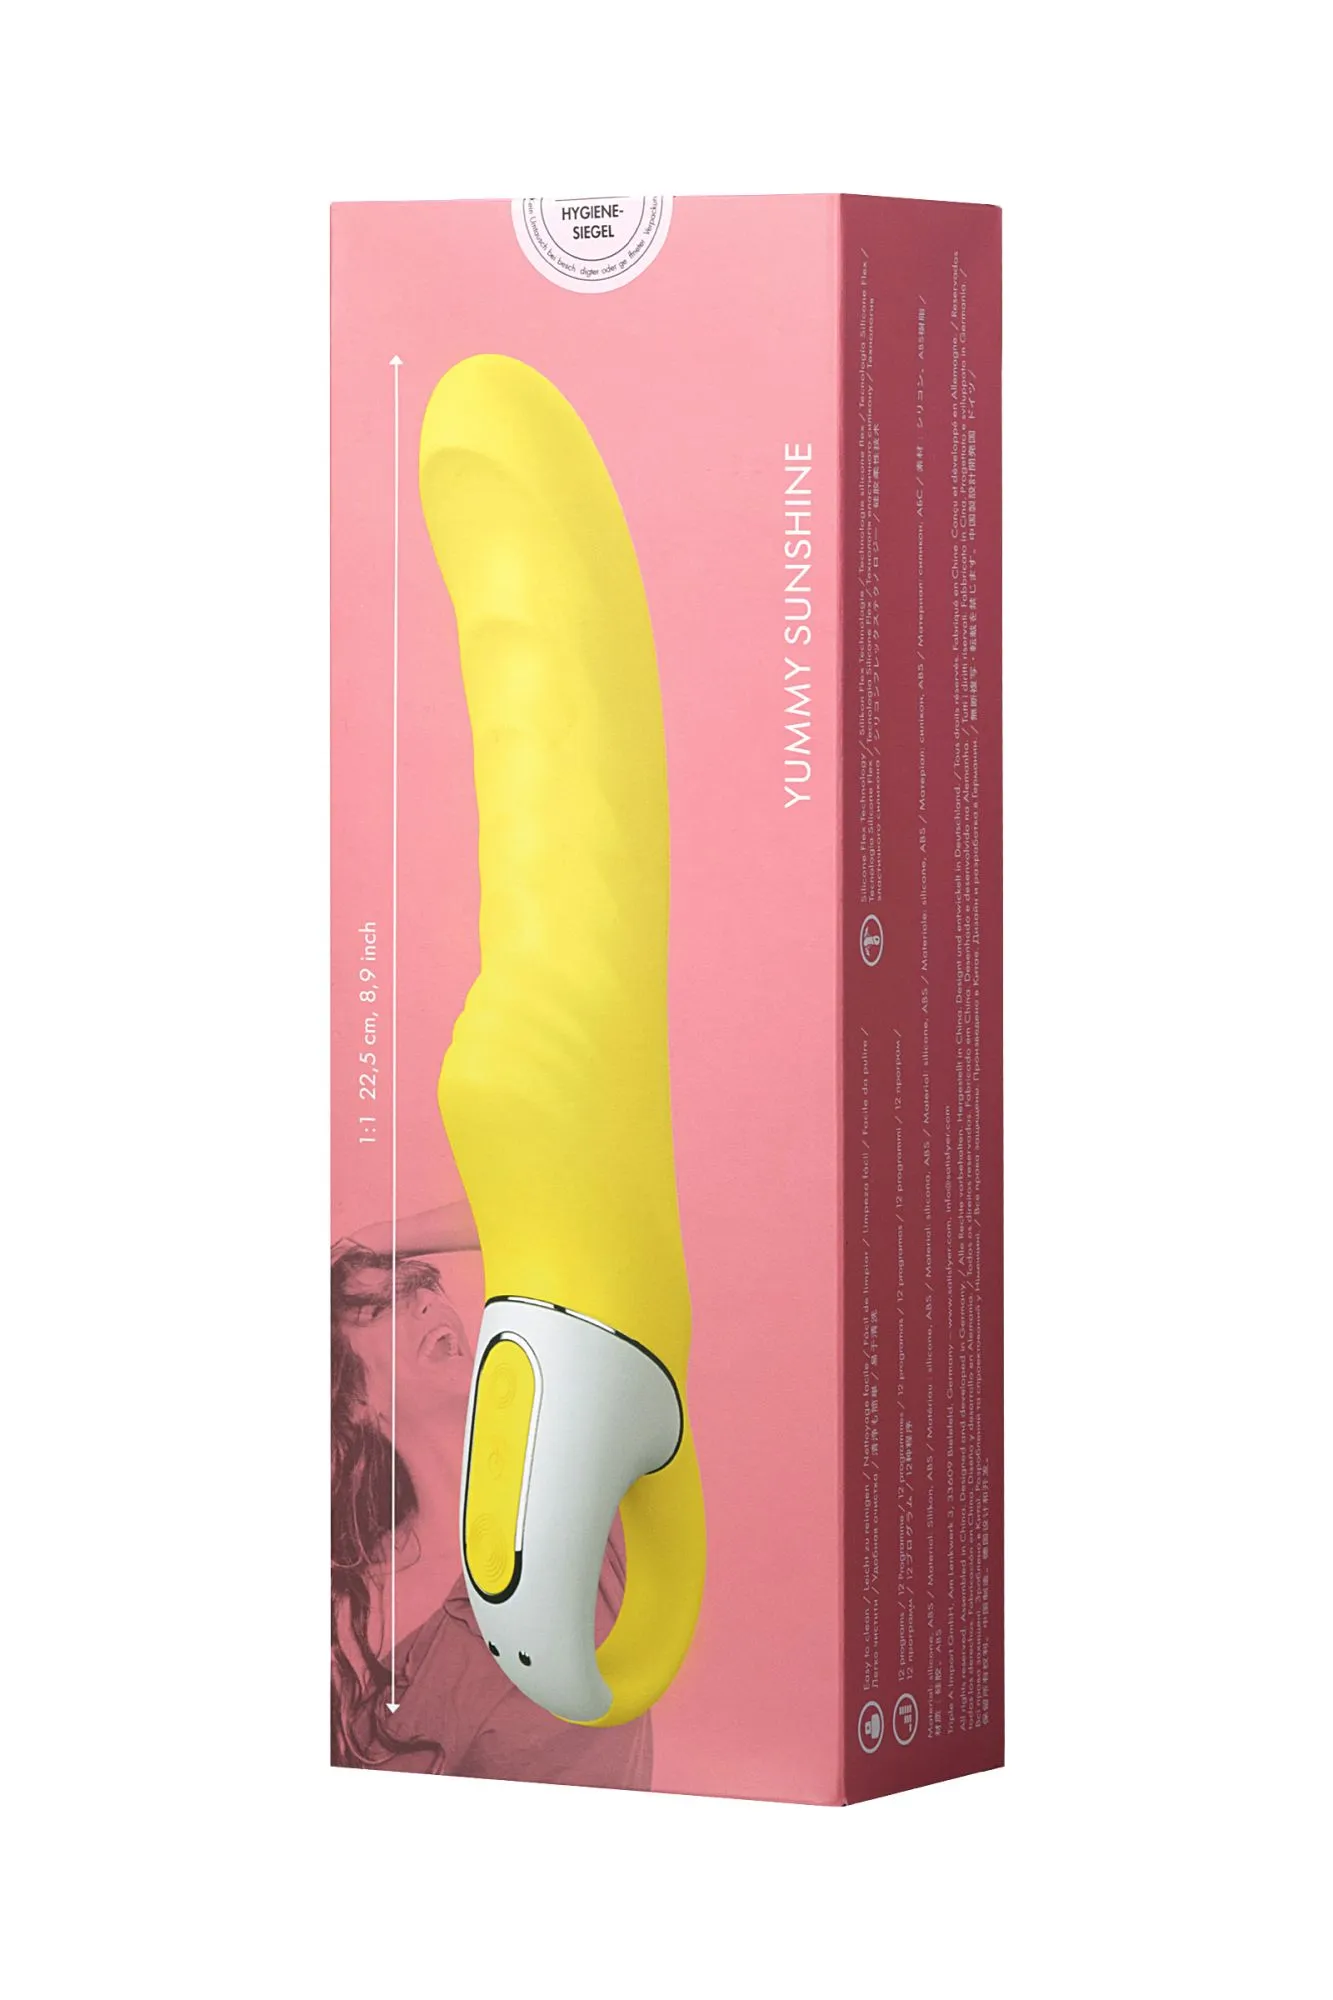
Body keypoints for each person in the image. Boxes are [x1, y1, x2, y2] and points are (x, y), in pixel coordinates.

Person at [331, 1221, 650, 1787]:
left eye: (421, 1287)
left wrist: (386, 1234)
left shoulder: (584, 1513)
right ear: (355, 1400)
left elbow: (599, 1234)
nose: (426, 1303)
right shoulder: (354, 1612)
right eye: (384, 1306)